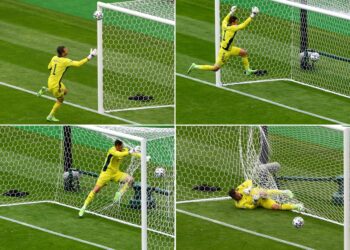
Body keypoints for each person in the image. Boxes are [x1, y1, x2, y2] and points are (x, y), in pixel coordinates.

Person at [187, 6, 259, 76]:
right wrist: (252, 15)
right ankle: (195, 66)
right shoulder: (233, 28)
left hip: (230, 48)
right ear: (233, 22)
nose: (237, 23)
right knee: (215, 68)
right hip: (225, 52)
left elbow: (225, 19)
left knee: (244, 53)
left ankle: (247, 71)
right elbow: (243, 25)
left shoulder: (224, 24)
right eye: (236, 22)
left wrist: (231, 12)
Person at [79, 140, 141, 217]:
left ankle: (119, 193)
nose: (123, 148)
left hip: (116, 173)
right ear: (117, 146)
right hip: (106, 174)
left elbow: (133, 153)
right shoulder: (112, 150)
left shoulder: (124, 150)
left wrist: (143, 156)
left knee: (130, 180)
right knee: (96, 190)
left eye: (123, 146)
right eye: (121, 146)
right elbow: (119, 154)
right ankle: (83, 207)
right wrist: (129, 152)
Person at [37, 46, 97, 122]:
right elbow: (78, 64)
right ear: (63, 53)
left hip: (50, 81)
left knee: (65, 91)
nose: (67, 50)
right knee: (60, 100)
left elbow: (49, 67)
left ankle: (45, 89)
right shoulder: (65, 61)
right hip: (56, 85)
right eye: (66, 50)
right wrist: (91, 56)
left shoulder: (54, 58)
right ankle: (50, 116)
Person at [228, 179, 304, 211]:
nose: (239, 194)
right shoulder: (239, 204)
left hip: (258, 192)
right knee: (275, 207)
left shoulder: (239, 189)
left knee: (262, 193)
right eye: (237, 196)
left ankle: (285, 192)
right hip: (260, 202)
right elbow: (251, 207)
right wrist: (255, 202)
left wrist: (249, 188)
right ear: (234, 197)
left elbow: (249, 181)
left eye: (237, 193)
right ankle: (296, 206)